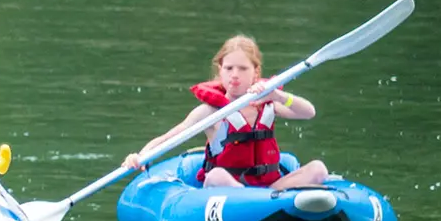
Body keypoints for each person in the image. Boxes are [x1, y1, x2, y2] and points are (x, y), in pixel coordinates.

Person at [125, 34, 330, 191]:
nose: (235, 75)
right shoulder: (210, 112)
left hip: (270, 189)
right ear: (220, 71)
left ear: (256, 73)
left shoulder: (268, 103)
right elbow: (169, 137)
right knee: (216, 175)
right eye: (229, 68)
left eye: (243, 69)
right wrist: (141, 155)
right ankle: (251, 205)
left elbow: (308, 112)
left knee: (318, 169)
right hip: (229, 191)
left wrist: (278, 95)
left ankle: (266, 205)